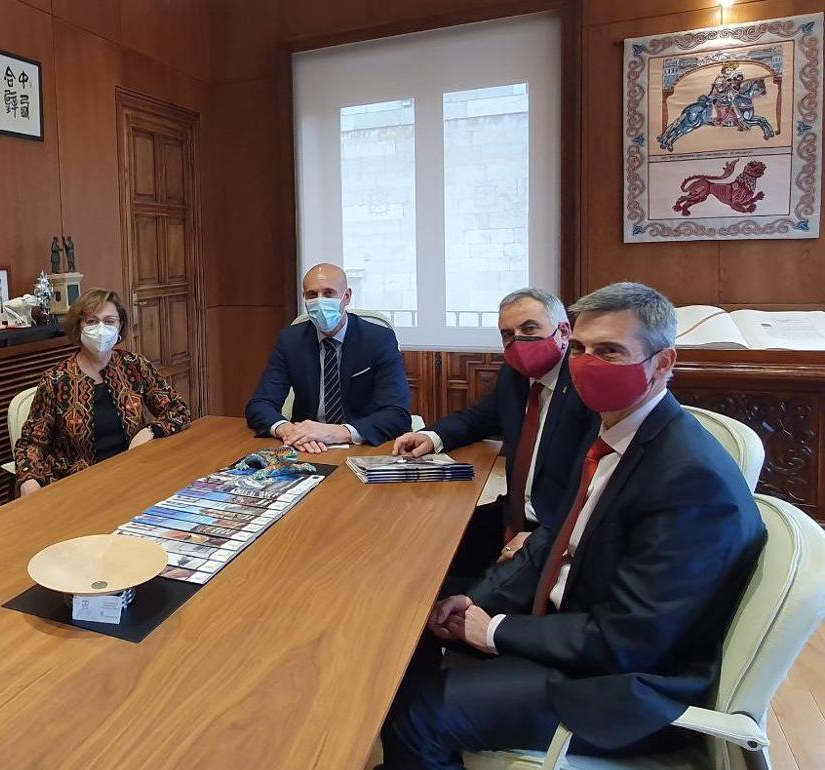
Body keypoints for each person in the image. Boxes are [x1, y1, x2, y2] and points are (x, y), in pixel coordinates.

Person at [378, 282, 765, 770]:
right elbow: (554, 539)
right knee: (409, 637)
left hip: (623, 687)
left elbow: (630, 641)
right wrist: (477, 602)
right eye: (580, 349)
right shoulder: (616, 435)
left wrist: (495, 629)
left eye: (610, 351)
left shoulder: (690, 479)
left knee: (417, 715)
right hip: (572, 629)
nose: (585, 364)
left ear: (662, 363)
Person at [393, 288, 597, 577]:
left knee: (455, 590)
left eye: (529, 328)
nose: (518, 341)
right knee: (423, 545)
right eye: (507, 334)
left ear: (564, 332)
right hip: (512, 515)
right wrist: (431, 436)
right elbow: (478, 419)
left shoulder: (586, 388)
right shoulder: (515, 375)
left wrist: (545, 540)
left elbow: (590, 489)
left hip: (554, 530)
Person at [15, 289, 191, 494]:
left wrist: (150, 431)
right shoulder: (55, 380)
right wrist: (30, 482)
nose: (101, 329)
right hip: (77, 487)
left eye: (109, 321)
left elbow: (178, 409)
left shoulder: (134, 365)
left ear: (120, 325)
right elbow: (31, 443)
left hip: (134, 475)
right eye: (92, 321)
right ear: (78, 326)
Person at [245, 263, 412, 452]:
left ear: (346, 297)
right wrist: (288, 430)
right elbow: (260, 404)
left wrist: (338, 432)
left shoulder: (379, 340)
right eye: (312, 295)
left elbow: (397, 414)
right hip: (306, 447)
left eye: (329, 293)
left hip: (362, 446)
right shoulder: (291, 340)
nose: (320, 301)